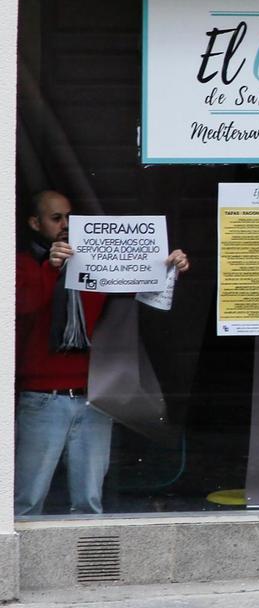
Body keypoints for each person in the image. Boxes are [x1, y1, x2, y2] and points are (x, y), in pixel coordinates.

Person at [14, 190, 189, 515]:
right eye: (56, 218)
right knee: (27, 500)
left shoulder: (93, 261)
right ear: (35, 223)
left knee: (89, 501)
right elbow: (25, 305)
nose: (65, 225)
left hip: (94, 395)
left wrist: (168, 268)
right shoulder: (23, 265)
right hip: (42, 396)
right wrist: (52, 267)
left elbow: (144, 289)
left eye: (69, 217)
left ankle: (84, 565)